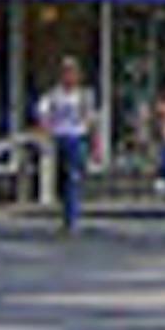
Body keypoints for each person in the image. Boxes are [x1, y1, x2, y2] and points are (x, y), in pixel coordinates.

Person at [33, 56, 99, 232]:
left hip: (77, 138)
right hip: (60, 137)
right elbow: (42, 113)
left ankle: (72, 218)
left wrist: (95, 143)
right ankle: (66, 213)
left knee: (73, 177)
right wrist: (45, 129)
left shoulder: (84, 96)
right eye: (66, 72)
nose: (69, 76)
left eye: (73, 72)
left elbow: (91, 119)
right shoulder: (55, 95)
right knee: (62, 180)